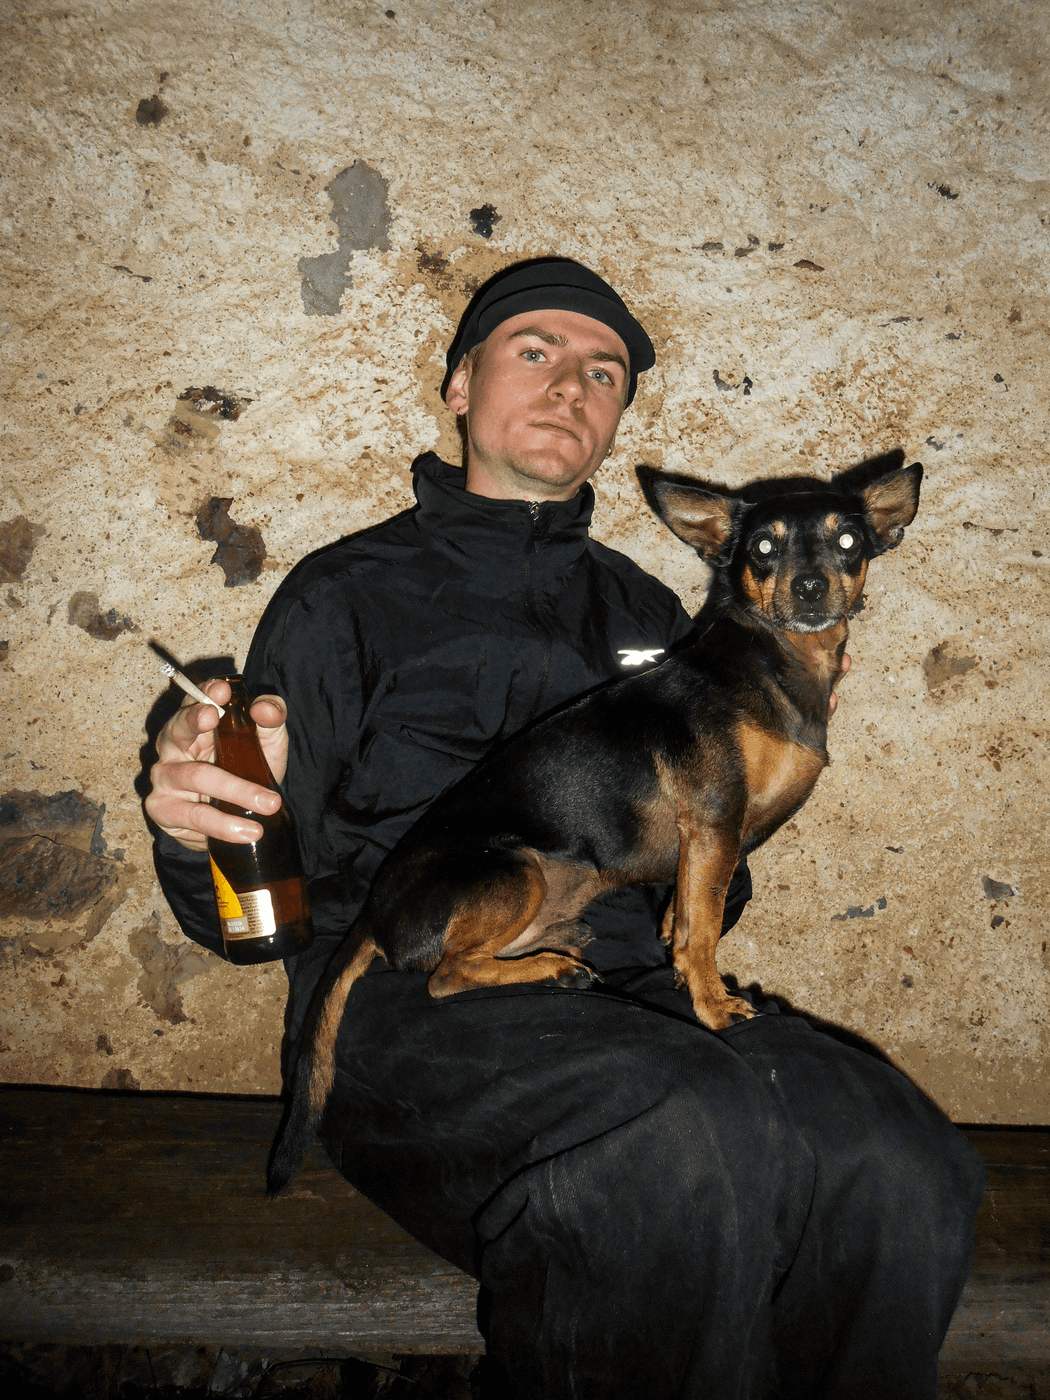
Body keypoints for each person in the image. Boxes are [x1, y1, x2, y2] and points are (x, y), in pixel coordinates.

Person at [146, 259, 984, 1399]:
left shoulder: (653, 611)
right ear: (459, 387)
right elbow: (256, 916)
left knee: (897, 1152)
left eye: (604, 372)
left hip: (629, 989)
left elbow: (714, 880)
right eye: (533, 351)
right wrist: (197, 829)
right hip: (411, 1006)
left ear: (619, 416)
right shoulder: (343, 595)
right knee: (679, 1129)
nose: (569, 384)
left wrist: (742, 790)